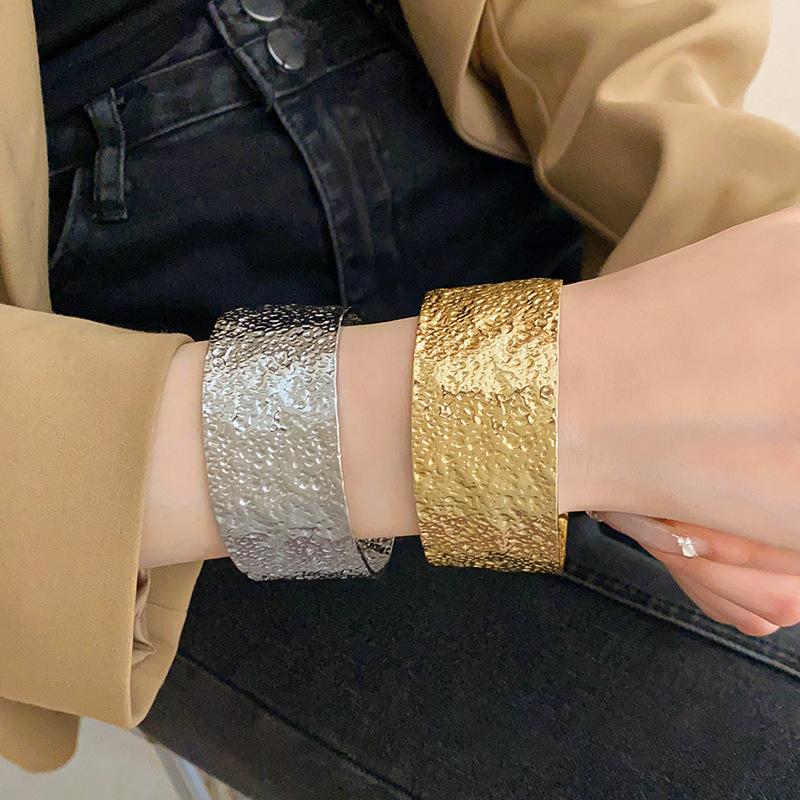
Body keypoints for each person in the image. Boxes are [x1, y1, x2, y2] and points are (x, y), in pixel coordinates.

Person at [2, 0, 800, 795]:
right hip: (103, 363)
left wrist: (732, 267)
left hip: (463, 103)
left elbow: (624, 40)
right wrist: (552, 397)